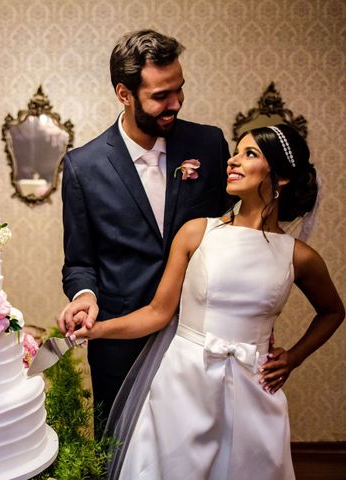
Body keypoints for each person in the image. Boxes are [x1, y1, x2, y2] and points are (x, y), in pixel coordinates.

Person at [65, 124, 345, 479]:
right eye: (236, 151)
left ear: (281, 177)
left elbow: (333, 312)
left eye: (250, 154)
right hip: (184, 384)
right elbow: (157, 313)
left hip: (253, 392)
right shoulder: (198, 232)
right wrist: (96, 329)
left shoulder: (299, 256)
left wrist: (293, 357)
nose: (233, 161)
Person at [58, 29, 231, 436]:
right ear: (124, 93)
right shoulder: (83, 167)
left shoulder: (209, 144)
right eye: (160, 96)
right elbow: (80, 262)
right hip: (120, 344)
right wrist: (85, 298)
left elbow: (235, 235)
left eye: (179, 89)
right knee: (119, 456)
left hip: (202, 338)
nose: (175, 103)